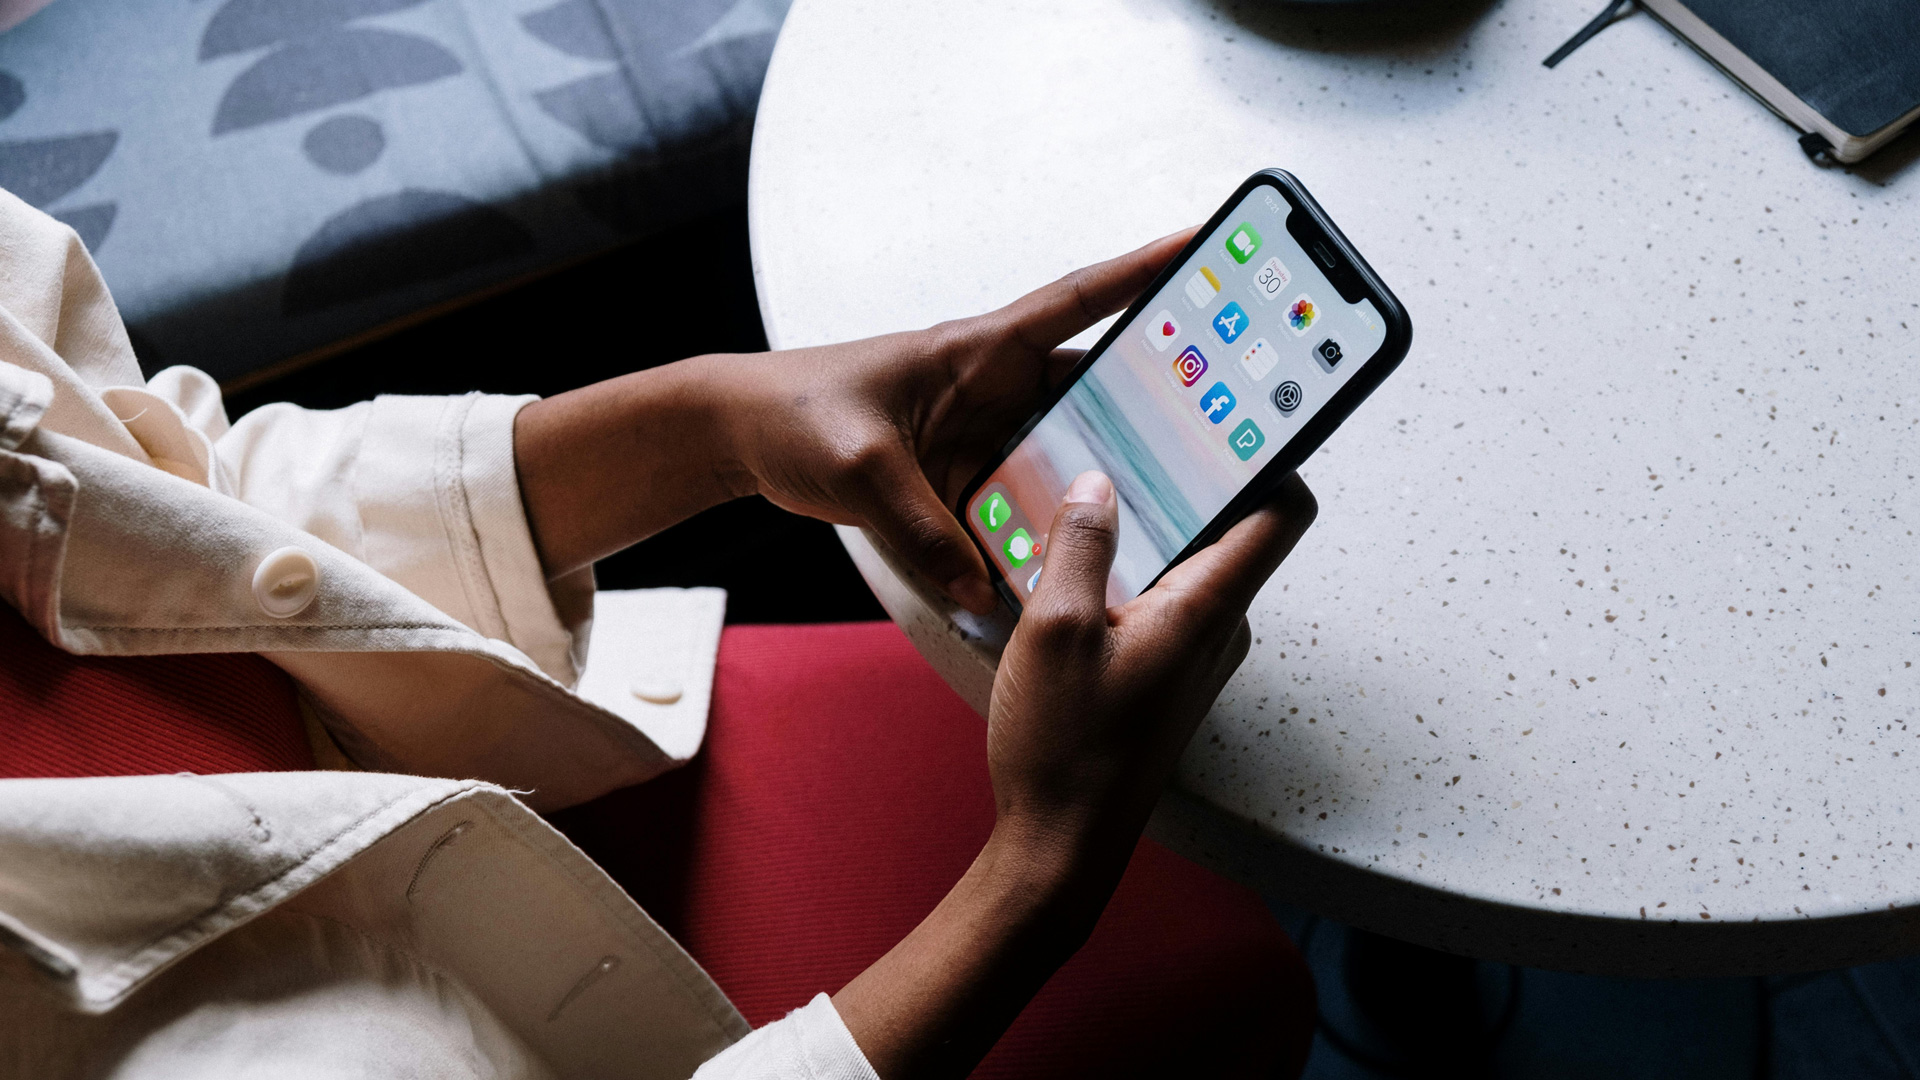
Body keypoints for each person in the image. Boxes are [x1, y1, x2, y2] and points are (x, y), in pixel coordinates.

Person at [0, 186, 1318, 1077]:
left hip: (476, 748)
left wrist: (717, 423)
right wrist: (1041, 872)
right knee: (1227, 953)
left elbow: (168, 488)